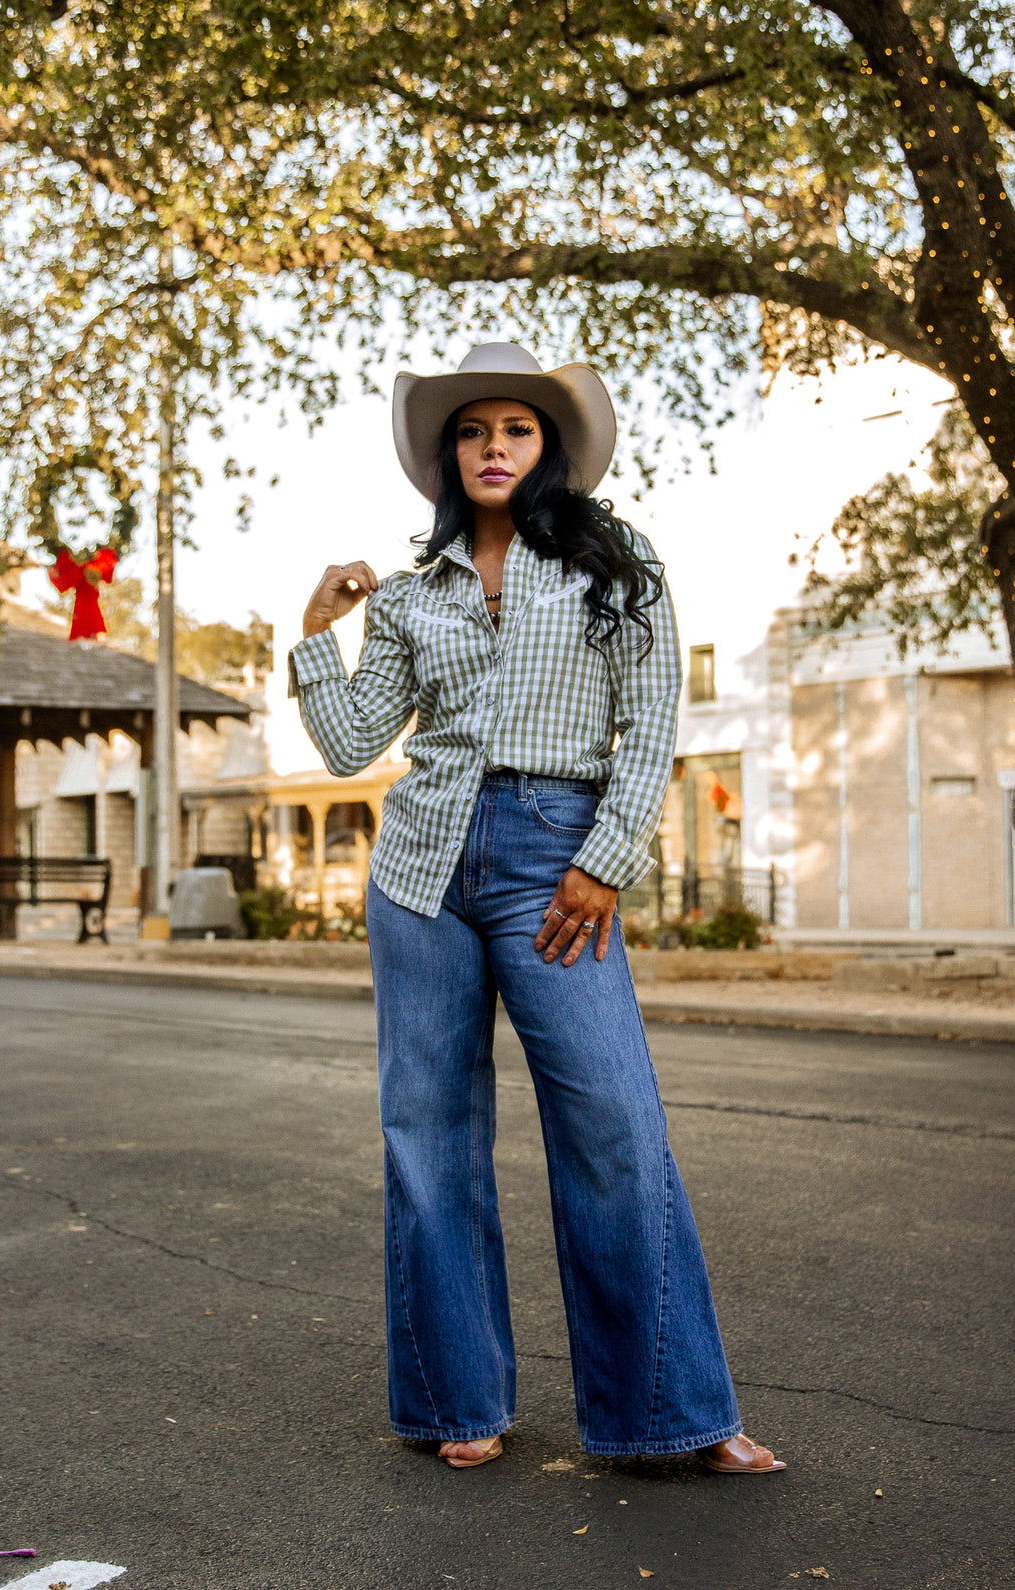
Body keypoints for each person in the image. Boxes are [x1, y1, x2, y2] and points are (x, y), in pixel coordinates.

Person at [288, 343, 784, 1475]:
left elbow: (651, 718)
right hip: (422, 870)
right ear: (446, 456)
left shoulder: (617, 567)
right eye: (471, 431)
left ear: (547, 448)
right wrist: (317, 630)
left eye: (513, 430)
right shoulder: (414, 598)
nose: (492, 447)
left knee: (613, 1125)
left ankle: (671, 1414)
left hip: (555, 862)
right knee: (428, 1136)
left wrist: (607, 858)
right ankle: (457, 1397)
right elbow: (357, 740)